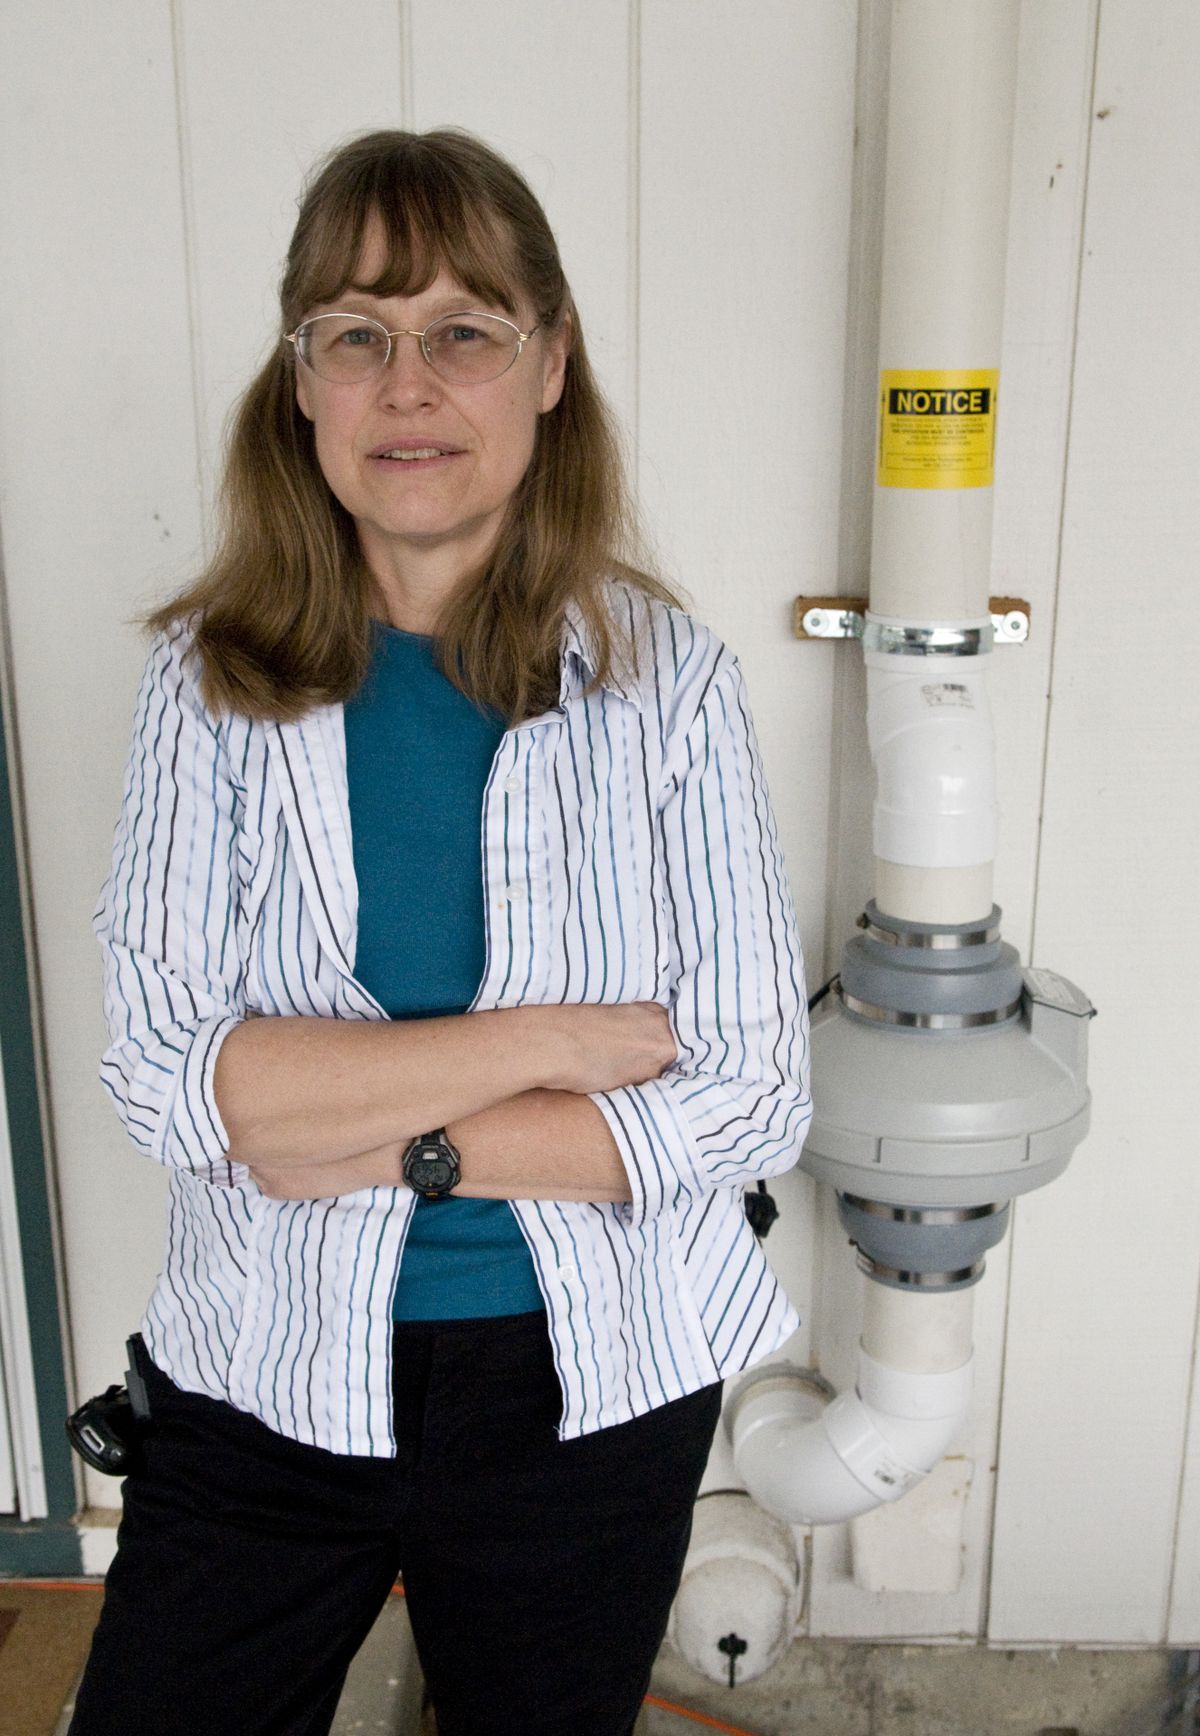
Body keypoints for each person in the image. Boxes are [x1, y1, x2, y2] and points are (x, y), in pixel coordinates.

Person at [75, 128, 811, 1736]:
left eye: (464, 332)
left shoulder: (663, 682)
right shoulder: (205, 687)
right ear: (304, 385)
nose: (409, 384)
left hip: (591, 1383)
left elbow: (753, 1095)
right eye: (358, 335)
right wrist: (561, 1045)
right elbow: (169, 1082)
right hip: (263, 1368)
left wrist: (384, 1137)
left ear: (549, 367)